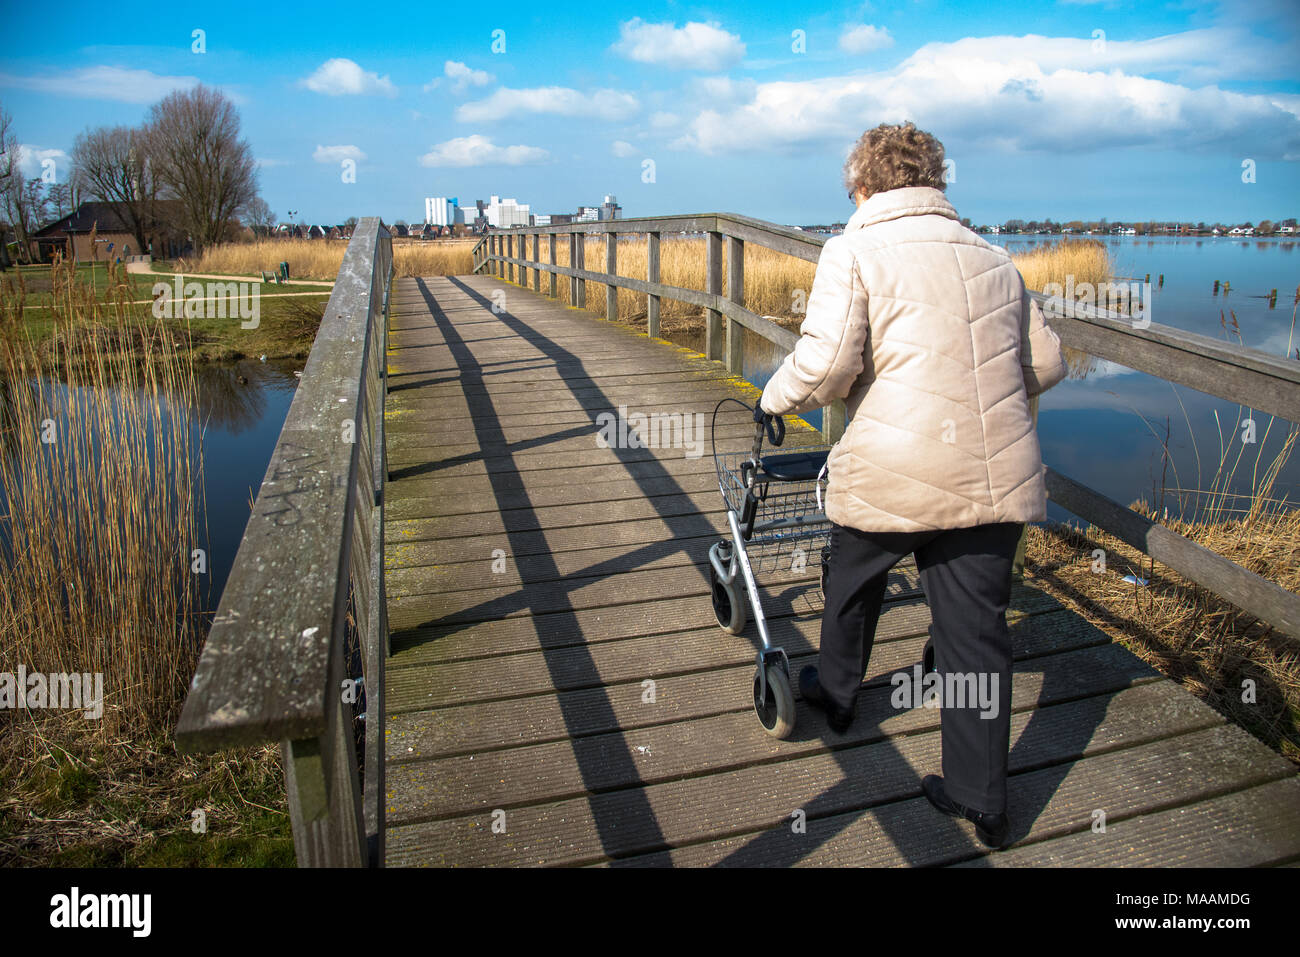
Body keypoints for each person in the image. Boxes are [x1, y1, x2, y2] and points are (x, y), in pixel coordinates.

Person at [758, 121, 1067, 849]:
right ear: (937, 180)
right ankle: (980, 797)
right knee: (975, 635)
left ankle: (836, 695)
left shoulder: (854, 249)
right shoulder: (995, 257)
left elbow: (829, 363)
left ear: (862, 184)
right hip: (991, 481)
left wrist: (772, 397)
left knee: (853, 575)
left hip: (895, 470)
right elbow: (1045, 365)